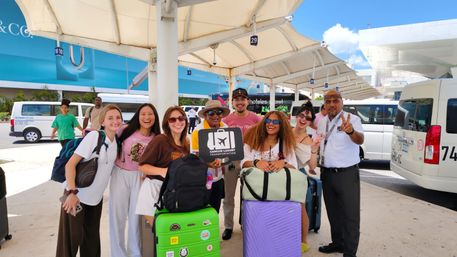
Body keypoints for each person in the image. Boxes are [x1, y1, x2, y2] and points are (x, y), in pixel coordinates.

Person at [55, 104, 123, 257]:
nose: (115, 121)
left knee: (91, 240)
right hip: (77, 197)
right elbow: (70, 165)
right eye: (110, 118)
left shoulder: (116, 142)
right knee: (70, 242)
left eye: (118, 117)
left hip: (95, 200)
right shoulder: (94, 137)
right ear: (103, 121)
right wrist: (72, 193)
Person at [317, 90, 364, 257]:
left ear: (341, 102)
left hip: (346, 174)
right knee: (333, 212)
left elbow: (360, 140)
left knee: (350, 215)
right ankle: (338, 243)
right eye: (328, 101)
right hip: (327, 173)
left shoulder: (352, 119)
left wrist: (350, 131)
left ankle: (350, 252)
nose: (331, 104)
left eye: (335, 100)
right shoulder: (322, 121)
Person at [109, 104, 160, 257]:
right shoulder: (125, 130)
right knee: (117, 216)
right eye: (143, 114)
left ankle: (135, 253)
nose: (146, 117)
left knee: (135, 218)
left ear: (155, 117)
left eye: (150, 114)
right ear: (138, 116)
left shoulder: (156, 138)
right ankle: (118, 253)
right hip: (120, 174)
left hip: (141, 178)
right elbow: (107, 137)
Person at [135, 106, 189, 225]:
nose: (178, 122)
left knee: (174, 231)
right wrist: (163, 171)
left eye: (181, 118)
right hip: (154, 192)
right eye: (172, 120)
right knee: (161, 232)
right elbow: (142, 166)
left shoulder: (186, 143)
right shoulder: (160, 140)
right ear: (166, 123)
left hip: (174, 193)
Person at [221, 88, 261, 240]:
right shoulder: (225, 121)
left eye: (242, 99)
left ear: (247, 101)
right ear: (232, 102)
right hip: (231, 160)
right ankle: (228, 226)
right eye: (236, 99)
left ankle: (246, 223)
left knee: (249, 195)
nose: (239, 102)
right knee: (229, 196)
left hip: (250, 160)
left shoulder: (256, 119)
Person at [191, 100, 230, 214]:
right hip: (202, 178)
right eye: (211, 113)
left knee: (215, 209)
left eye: (218, 112)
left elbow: (228, 152)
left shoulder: (226, 128)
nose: (215, 116)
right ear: (205, 115)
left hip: (218, 178)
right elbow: (194, 155)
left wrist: (222, 162)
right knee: (201, 209)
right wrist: (208, 163)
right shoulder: (198, 131)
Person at [292, 101, 320, 253]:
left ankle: (303, 241)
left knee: (300, 208)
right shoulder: (286, 132)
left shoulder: (309, 141)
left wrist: (315, 150)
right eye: (302, 115)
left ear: (310, 122)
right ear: (297, 116)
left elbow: (312, 166)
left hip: (298, 176)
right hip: (281, 174)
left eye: (308, 118)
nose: (303, 119)